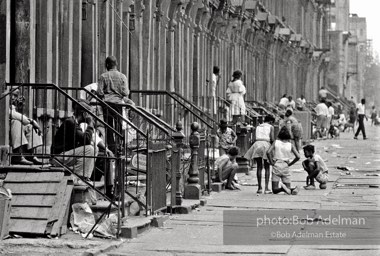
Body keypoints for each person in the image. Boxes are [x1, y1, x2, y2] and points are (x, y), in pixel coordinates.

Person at [51, 100, 97, 182]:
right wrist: (90, 124)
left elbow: (85, 141)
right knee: (89, 149)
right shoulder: (70, 122)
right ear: (84, 114)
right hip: (58, 157)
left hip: (66, 155)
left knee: (94, 148)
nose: (91, 117)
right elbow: (86, 140)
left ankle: (84, 176)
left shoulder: (74, 122)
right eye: (89, 114)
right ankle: (80, 176)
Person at [97, 56, 129, 152]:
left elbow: (99, 92)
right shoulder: (122, 76)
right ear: (116, 64)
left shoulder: (103, 76)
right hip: (118, 104)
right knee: (119, 125)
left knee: (109, 127)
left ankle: (112, 147)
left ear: (107, 65)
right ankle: (119, 145)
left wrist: (104, 97)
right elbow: (126, 92)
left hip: (107, 104)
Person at [8, 89, 43, 165]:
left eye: (16, 95)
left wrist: (18, 107)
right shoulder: (3, 102)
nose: (13, 97)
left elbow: (18, 116)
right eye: (12, 94)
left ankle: (30, 155)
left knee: (29, 126)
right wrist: (32, 121)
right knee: (16, 123)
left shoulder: (12, 105)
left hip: (10, 128)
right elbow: (11, 114)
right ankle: (17, 156)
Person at [244, 115, 275, 194]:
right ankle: (267, 188)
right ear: (271, 121)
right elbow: (272, 139)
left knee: (259, 166)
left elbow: (254, 138)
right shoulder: (271, 127)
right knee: (267, 167)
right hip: (266, 144)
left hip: (257, 144)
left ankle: (259, 188)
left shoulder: (258, 127)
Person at [267, 126, 300, 195]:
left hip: (276, 165)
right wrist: (290, 164)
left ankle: (282, 189)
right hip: (285, 165)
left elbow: (268, 152)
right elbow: (298, 156)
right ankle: (293, 189)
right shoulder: (290, 145)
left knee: (275, 190)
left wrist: (271, 162)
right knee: (288, 188)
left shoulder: (276, 142)